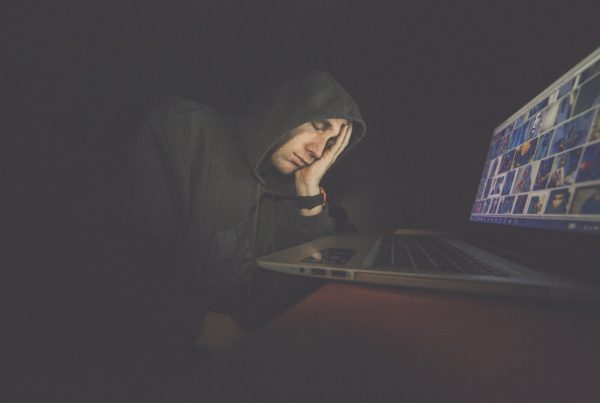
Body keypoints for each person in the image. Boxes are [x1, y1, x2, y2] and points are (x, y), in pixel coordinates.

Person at [97, 70, 366, 355]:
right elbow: (108, 258)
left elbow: (305, 292)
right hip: (147, 356)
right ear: (285, 108)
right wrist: (195, 324)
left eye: (330, 144)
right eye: (317, 124)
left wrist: (308, 186)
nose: (316, 150)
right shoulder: (180, 131)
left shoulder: (292, 189)